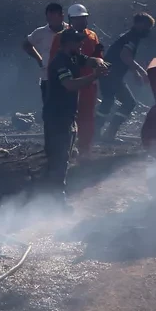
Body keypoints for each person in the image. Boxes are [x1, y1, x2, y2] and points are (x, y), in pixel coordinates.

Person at [44, 28, 103, 202]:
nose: (81, 44)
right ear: (68, 43)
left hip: (66, 115)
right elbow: (69, 85)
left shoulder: (73, 57)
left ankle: (54, 194)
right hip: (57, 117)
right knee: (59, 158)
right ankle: (56, 198)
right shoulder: (60, 62)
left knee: (63, 156)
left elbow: (91, 60)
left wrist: (100, 63)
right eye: (78, 41)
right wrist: (94, 77)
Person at [47, 3, 106, 153]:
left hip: (87, 83)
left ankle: (84, 150)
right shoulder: (61, 38)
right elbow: (56, 63)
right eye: (78, 19)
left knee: (87, 118)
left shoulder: (92, 36)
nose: (82, 21)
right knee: (66, 119)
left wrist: (100, 62)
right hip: (69, 84)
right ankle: (62, 152)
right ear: (70, 20)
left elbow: (94, 58)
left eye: (84, 18)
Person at [97, 12, 156, 141]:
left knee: (108, 101)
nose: (148, 30)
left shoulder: (128, 36)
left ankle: (96, 133)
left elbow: (124, 57)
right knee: (128, 102)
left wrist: (135, 73)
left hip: (108, 73)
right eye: (147, 26)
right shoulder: (132, 37)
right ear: (139, 24)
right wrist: (142, 72)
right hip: (111, 75)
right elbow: (125, 56)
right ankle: (107, 134)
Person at [21, 2, 67, 103]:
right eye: (49, 18)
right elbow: (26, 44)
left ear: (61, 16)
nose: (51, 21)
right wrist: (39, 59)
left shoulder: (69, 31)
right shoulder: (40, 32)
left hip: (67, 77)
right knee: (49, 107)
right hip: (47, 77)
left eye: (54, 18)